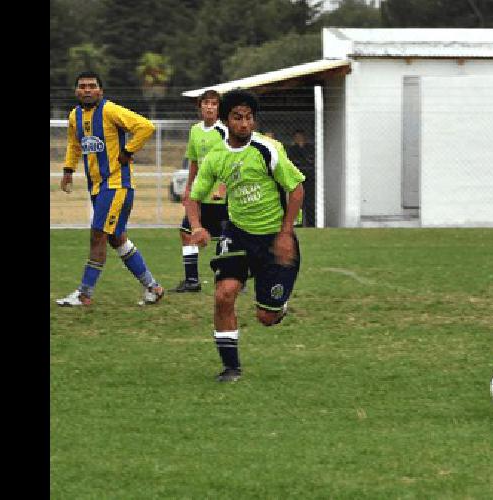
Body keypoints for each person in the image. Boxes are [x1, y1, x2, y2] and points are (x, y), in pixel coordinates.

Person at [184, 89, 306, 383]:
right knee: (224, 295)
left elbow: (297, 189)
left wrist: (286, 234)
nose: (244, 124)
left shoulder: (268, 150)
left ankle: (278, 308)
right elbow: (193, 196)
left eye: (249, 118)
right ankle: (231, 367)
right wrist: (197, 226)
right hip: (237, 234)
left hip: (274, 238)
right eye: (238, 118)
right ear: (227, 121)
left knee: (266, 318)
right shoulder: (216, 157)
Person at [56, 71, 165, 307]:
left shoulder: (110, 110)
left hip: (117, 185)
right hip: (97, 187)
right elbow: (74, 145)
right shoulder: (74, 116)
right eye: (82, 86)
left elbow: (145, 127)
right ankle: (153, 287)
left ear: (100, 91)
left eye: (92, 86)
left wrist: (128, 151)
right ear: (76, 91)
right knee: (117, 239)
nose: (87, 90)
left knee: (98, 235)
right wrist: (67, 171)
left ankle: (85, 293)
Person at [172, 90, 230, 293]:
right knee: (186, 232)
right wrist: (188, 188)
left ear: (218, 108)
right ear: (200, 107)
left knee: (227, 236)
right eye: (206, 103)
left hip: (221, 196)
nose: (210, 107)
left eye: (214, 104)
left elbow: (232, 160)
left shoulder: (224, 131)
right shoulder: (195, 130)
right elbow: (194, 162)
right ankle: (191, 280)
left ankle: (229, 279)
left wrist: (222, 187)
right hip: (199, 193)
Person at [286, 129, 315, 227]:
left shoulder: (310, 148)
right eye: (297, 137)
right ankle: (298, 225)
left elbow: (310, 160)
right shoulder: (292, 149)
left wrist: (304, 162)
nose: (299, 139)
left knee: (310, 203)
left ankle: (311, 225)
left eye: (301, 137)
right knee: (298, 203)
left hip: (310, 179)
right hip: (297, 180)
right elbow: (292, 162)